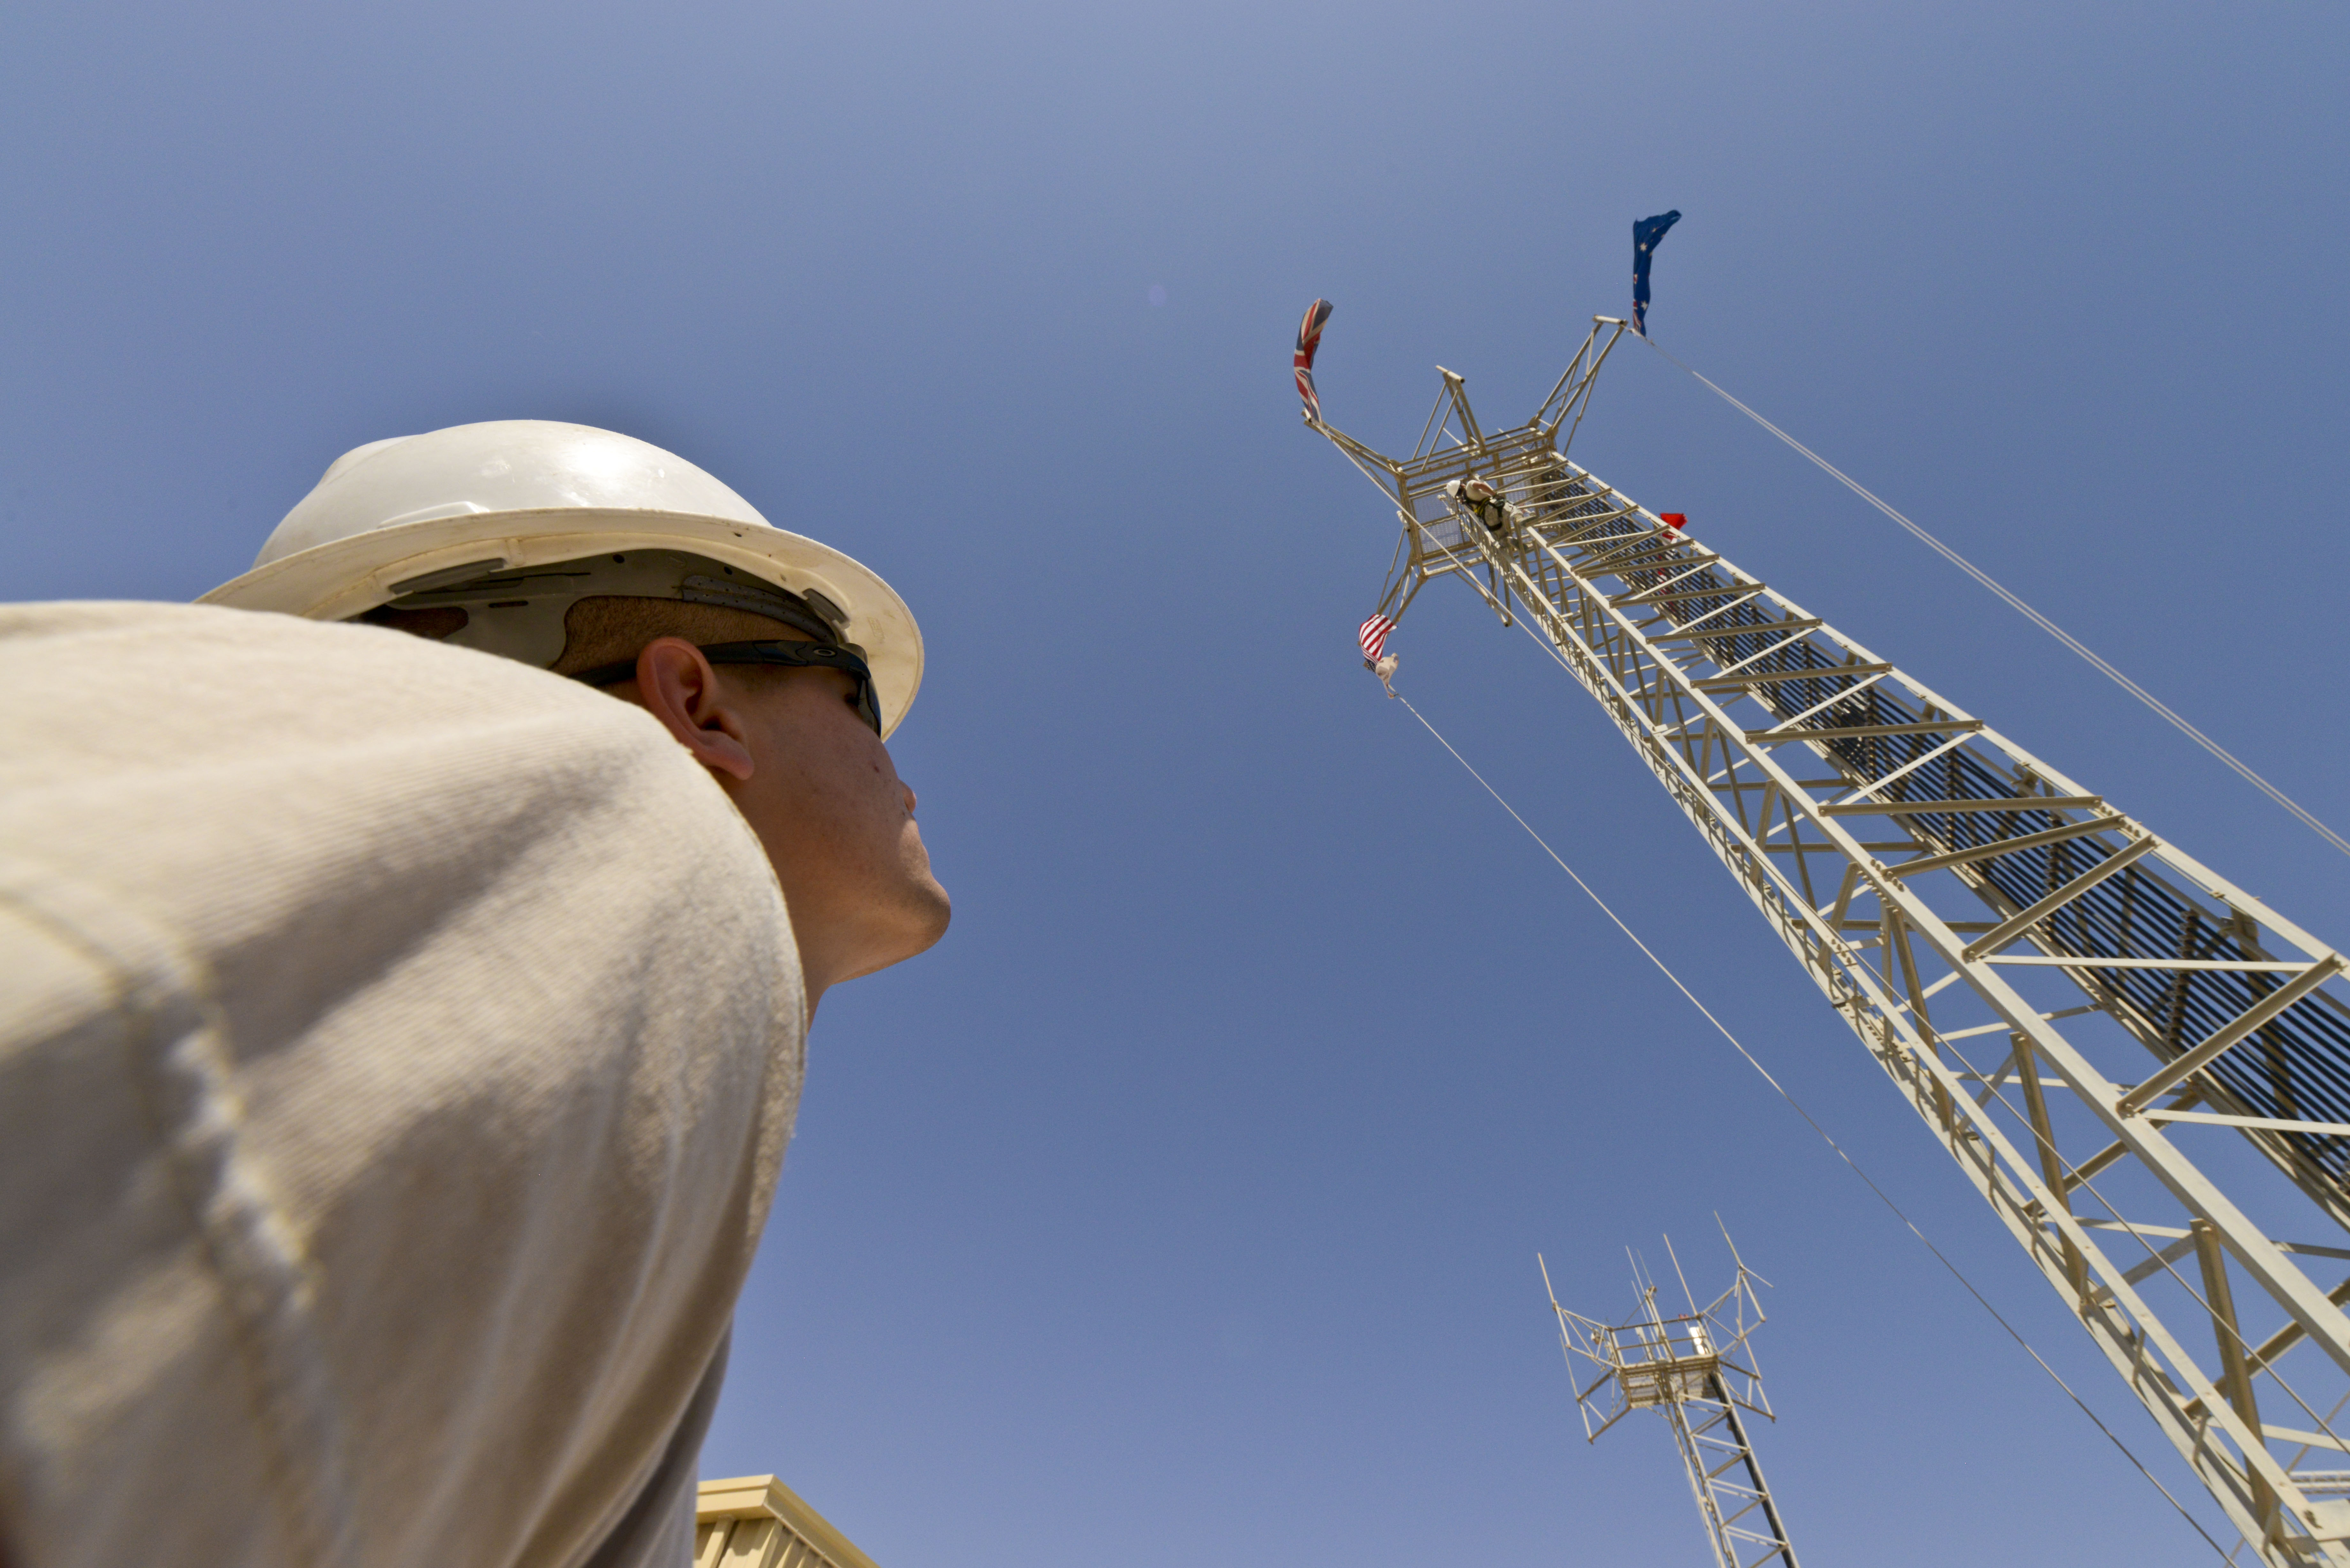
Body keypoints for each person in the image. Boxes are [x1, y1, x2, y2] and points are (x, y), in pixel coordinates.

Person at [0, 422, 950, 1568]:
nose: (904, 774)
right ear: (697, 704)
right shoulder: (628, 818)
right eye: (854, 695)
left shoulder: (664, 1082)